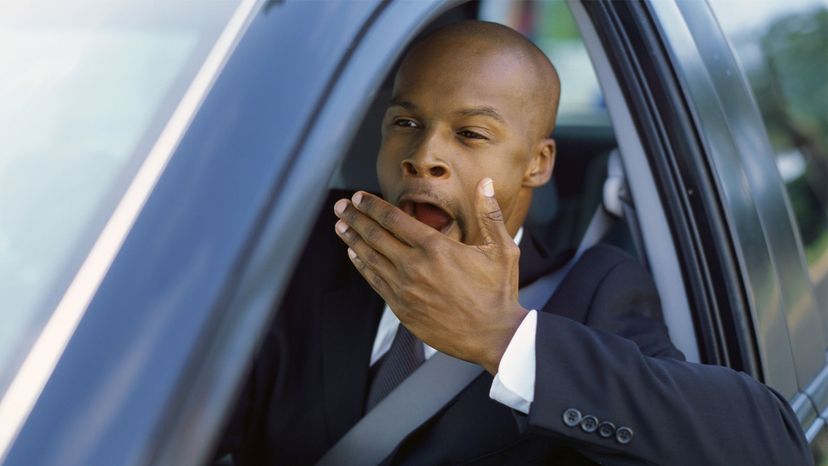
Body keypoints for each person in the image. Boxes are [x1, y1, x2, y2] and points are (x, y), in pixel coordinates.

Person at [220, 20, 811, 465]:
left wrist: (501, 338)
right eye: (405, 123)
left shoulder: (591, 292)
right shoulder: (306, 252)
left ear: (537, 162)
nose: (423, 158)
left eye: (471, 133)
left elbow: (770, 446)